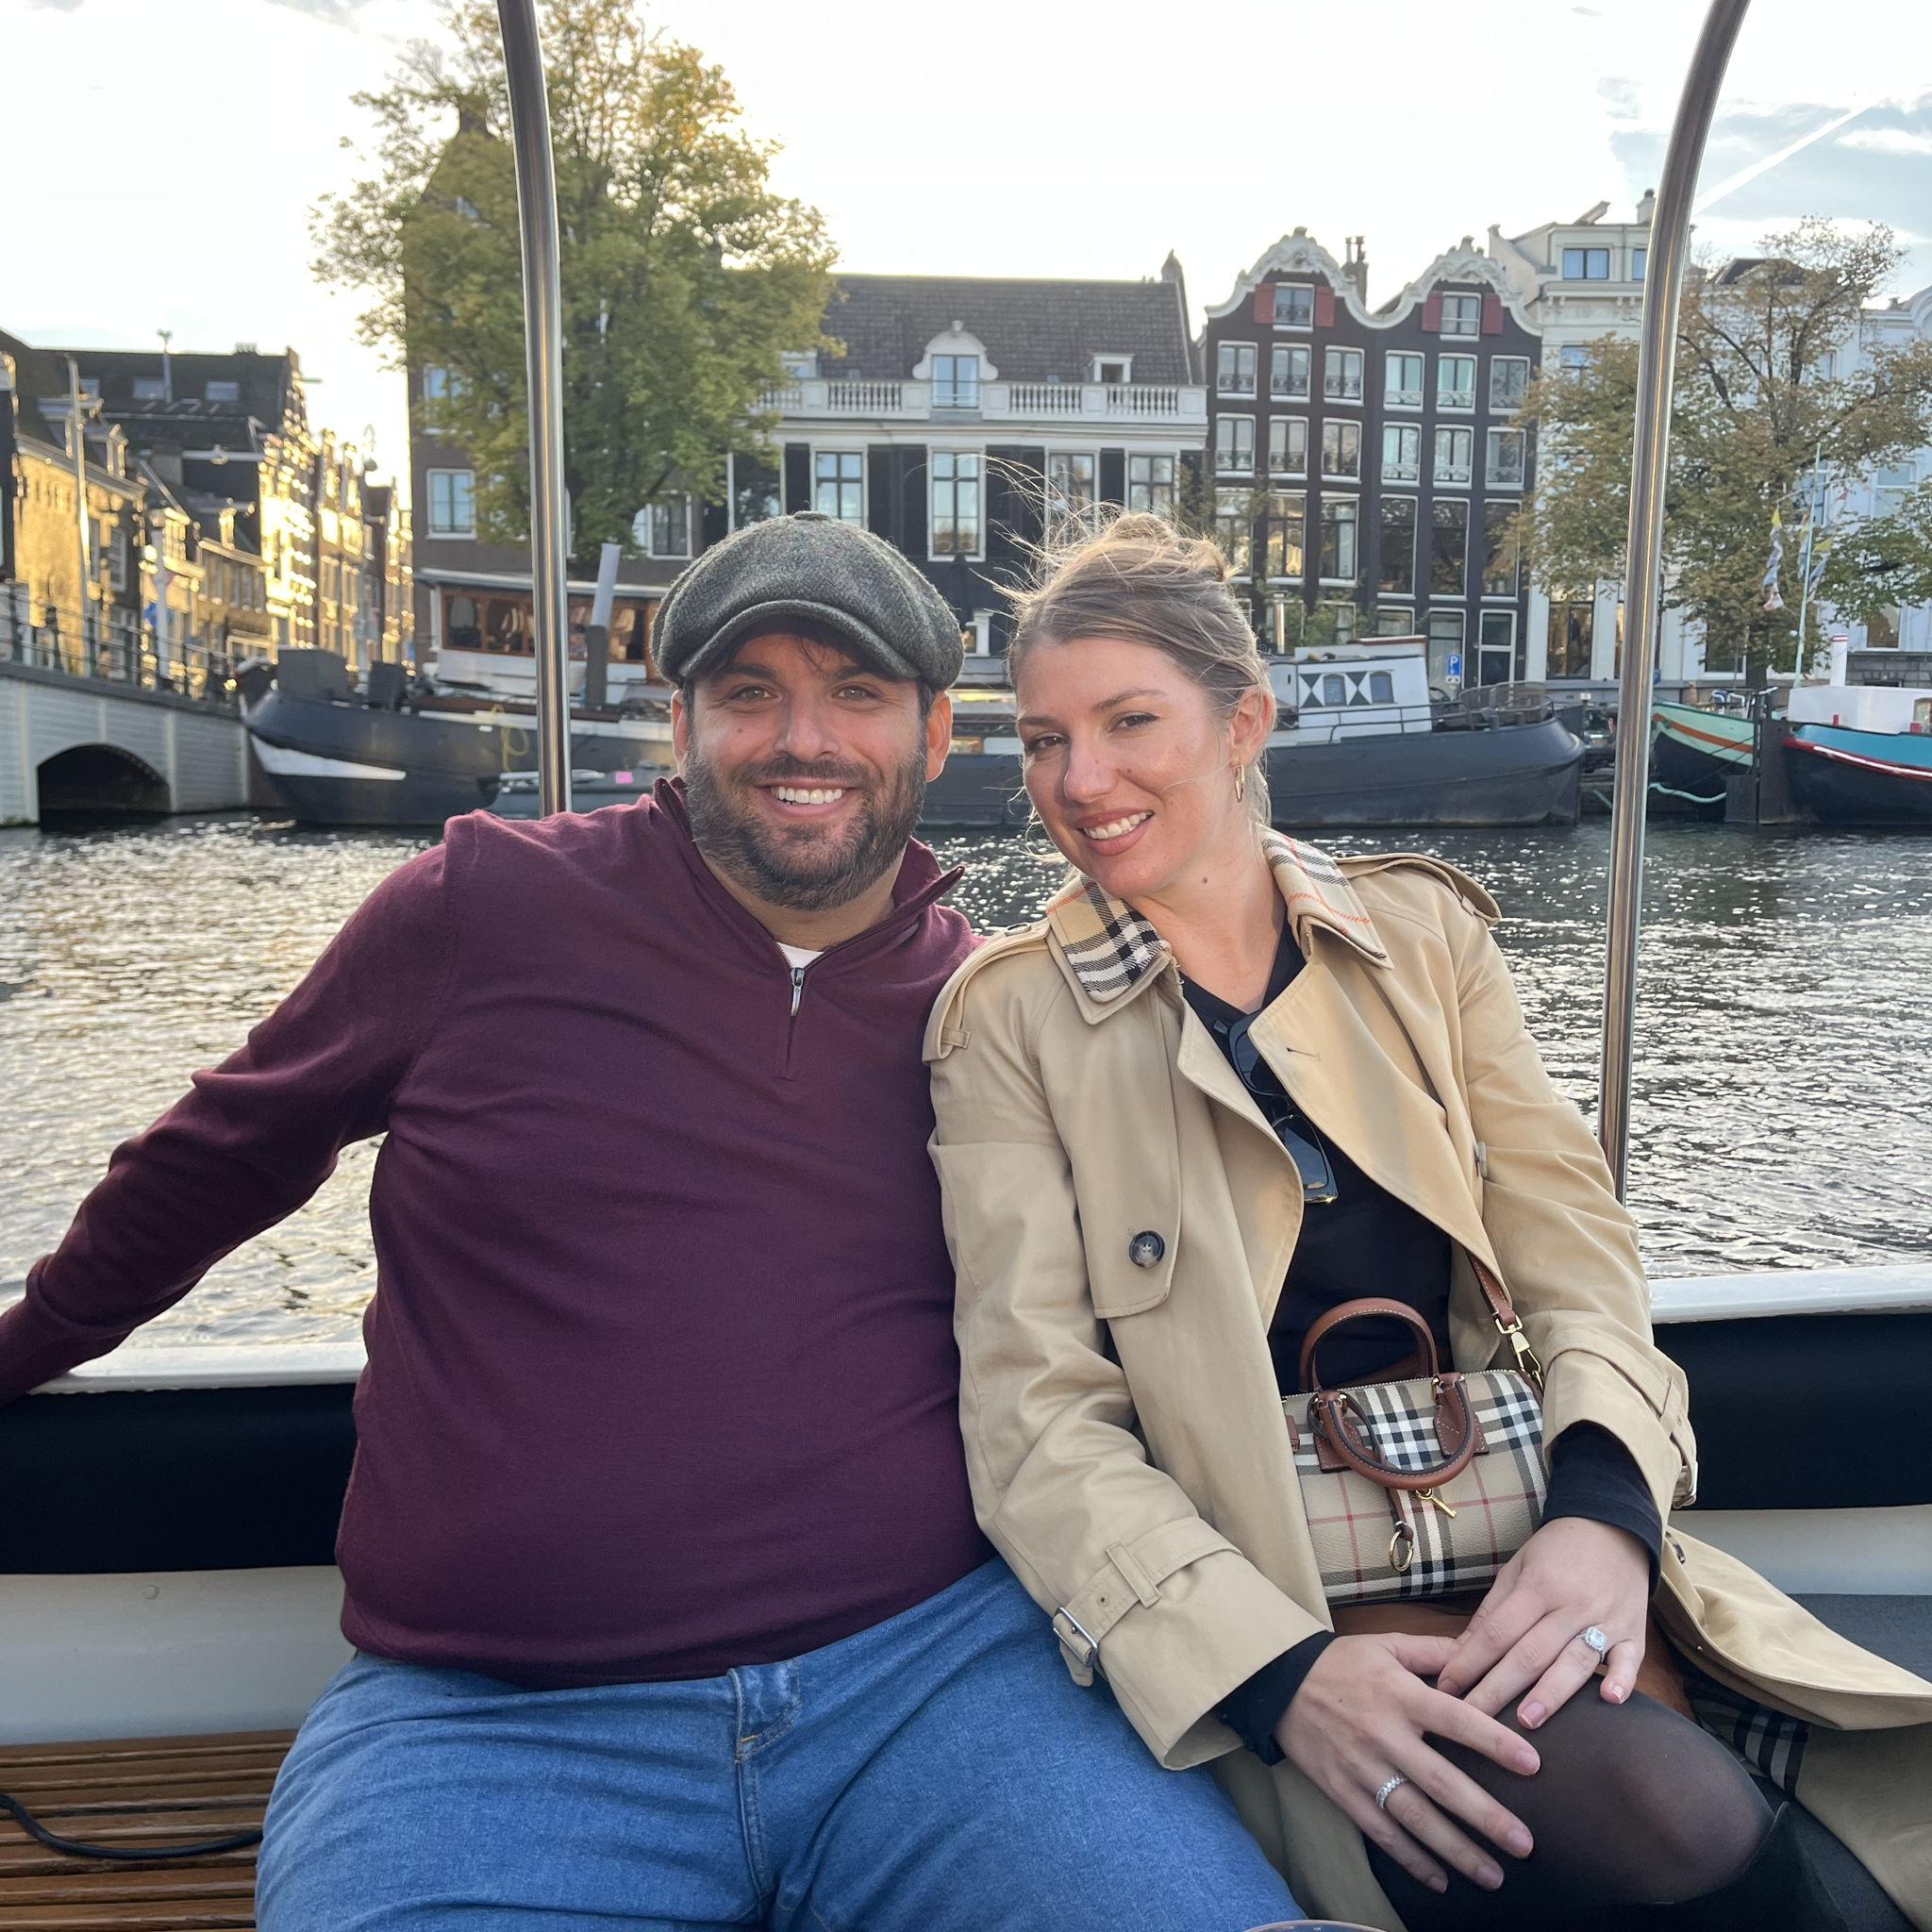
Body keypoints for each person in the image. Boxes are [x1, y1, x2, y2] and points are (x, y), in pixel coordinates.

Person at [0, 512, 1312, 1930]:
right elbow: (220, 1159)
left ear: (937, 737)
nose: (801, 738)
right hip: (496, 1731)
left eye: (855, 694)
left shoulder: (994, 1007)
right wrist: (21, 1347)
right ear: (678, 724)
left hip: (943, 1692)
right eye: (750, 693)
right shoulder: (483, 907)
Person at [925, 515, 1932, 1932]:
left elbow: (1575, 1249)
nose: (1079, 782)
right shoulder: (1009, 1021)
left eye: (1128, 722)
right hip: (1278, 1599)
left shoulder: (1425, 940)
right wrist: (1280, 1681)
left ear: (1242, 724)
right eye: (1041, 740)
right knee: (1673, 1826)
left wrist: (1604, 1518)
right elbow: (1037, 1422)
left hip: (1527, 1533)